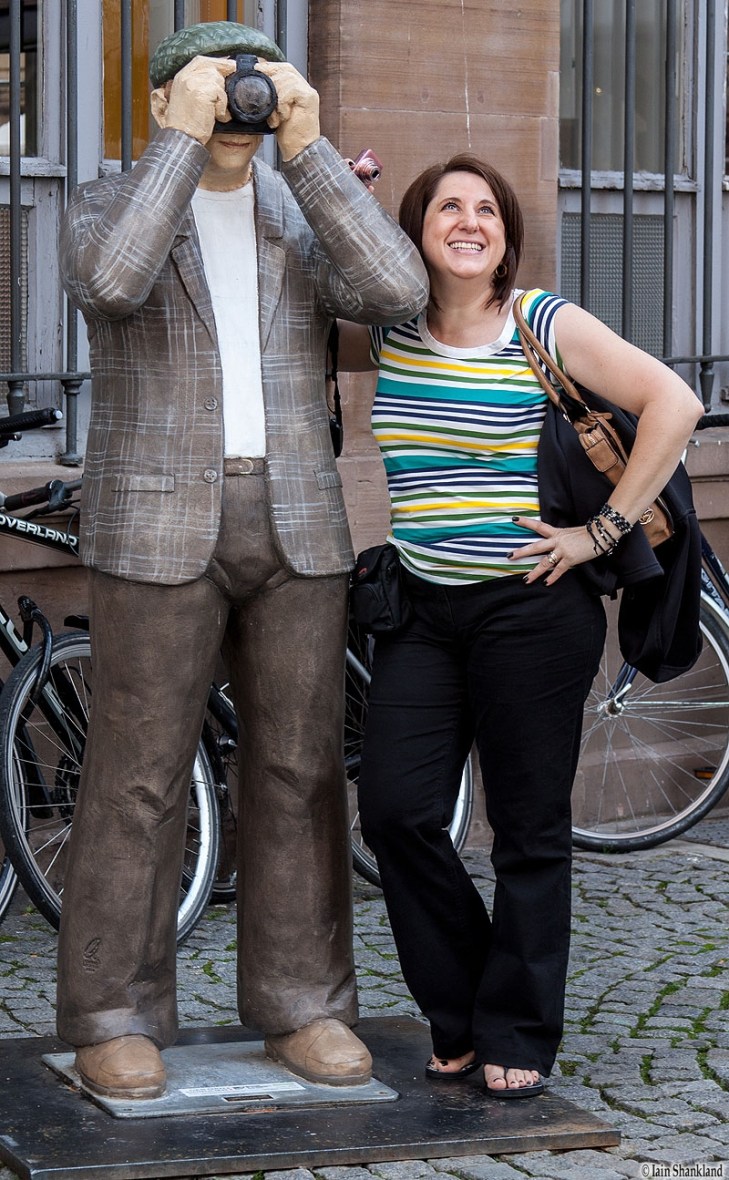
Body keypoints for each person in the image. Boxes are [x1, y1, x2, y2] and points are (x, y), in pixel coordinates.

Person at [55, 20, 428, 1101]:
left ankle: (303, 1003)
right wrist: (177, 144)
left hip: (296, 520)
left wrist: (311, 154)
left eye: (253, 84)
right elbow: (111, 282)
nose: (238, 104)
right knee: (136, 776)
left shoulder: (300, 207)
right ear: (163, 97)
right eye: (214, 85)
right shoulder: (109, 201)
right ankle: (114, 1014)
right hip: (156, 524)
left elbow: (398, 293)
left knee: (301, 773)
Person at [337, 153, 702, 1097]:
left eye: (486, 210)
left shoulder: (539, 323)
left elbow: (675, 404)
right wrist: (337, 194)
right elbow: (308, 283)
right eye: (446, 208)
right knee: (397, 814)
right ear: (414, 232)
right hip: (420, 610)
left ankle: (516, 1033)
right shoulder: (384, 331)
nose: (468, 222)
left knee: (527, 832)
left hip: (532, 612)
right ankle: (462, 1007)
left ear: (506, 236)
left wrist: (600, 532)